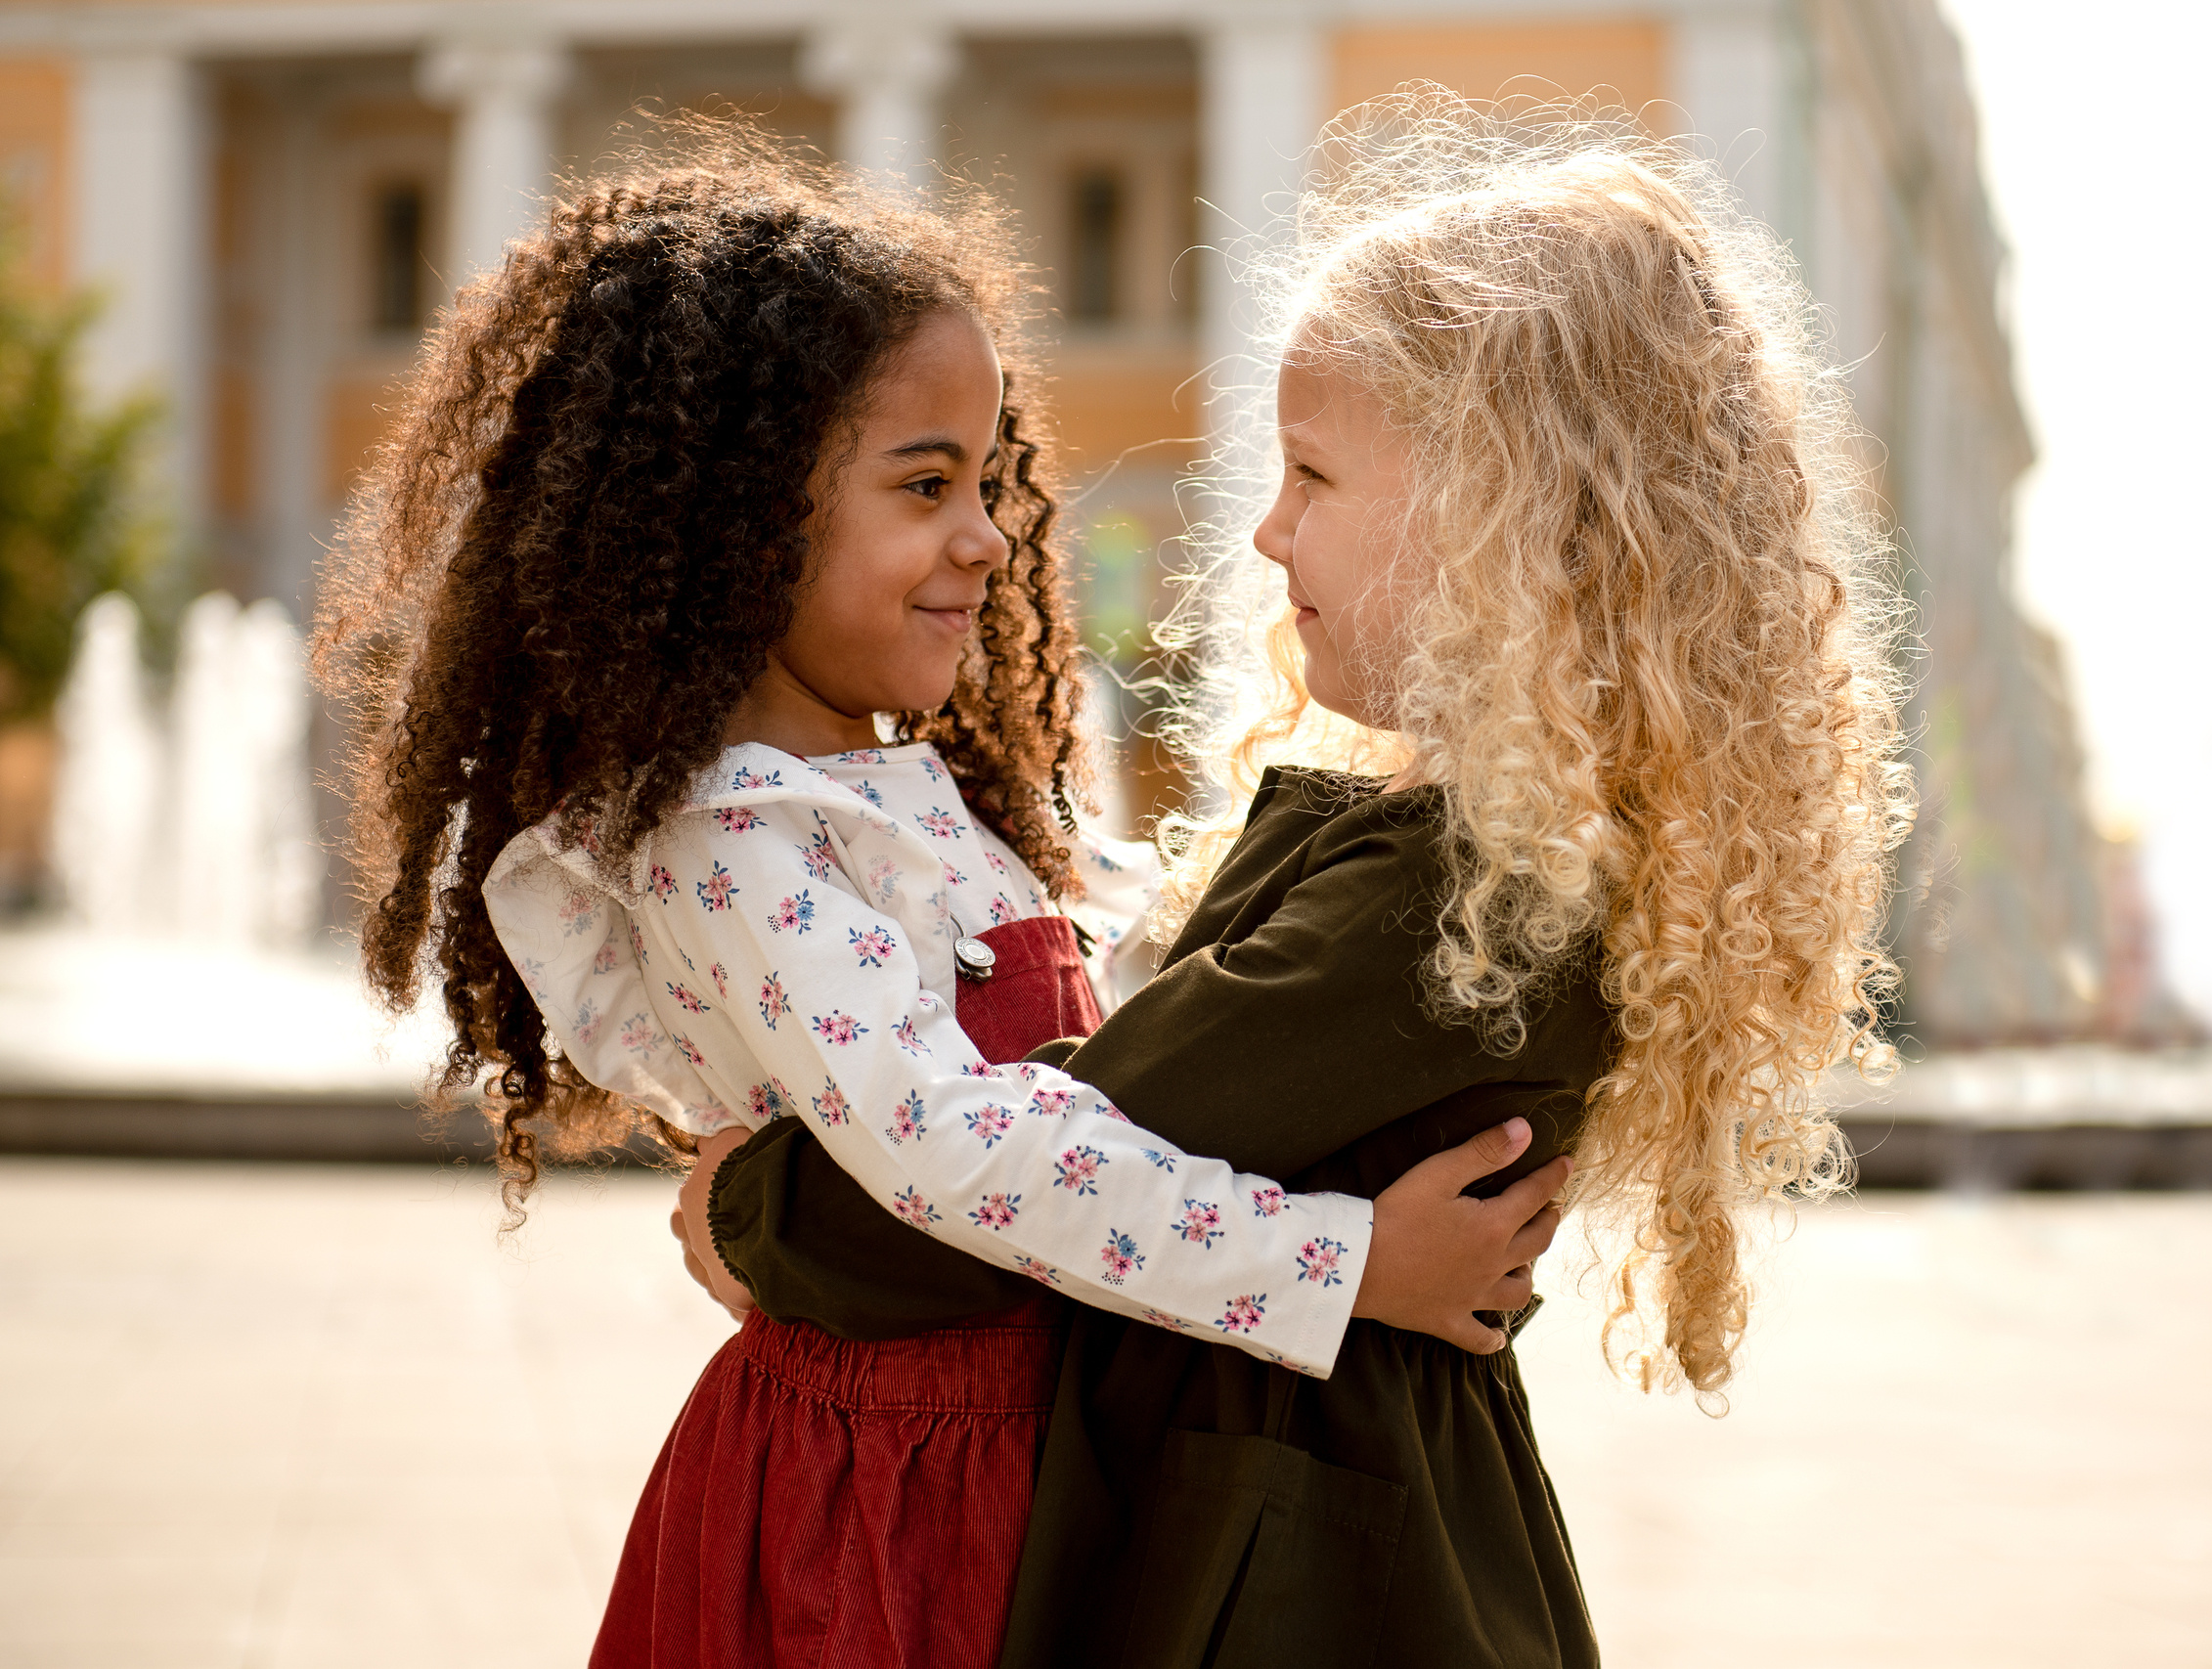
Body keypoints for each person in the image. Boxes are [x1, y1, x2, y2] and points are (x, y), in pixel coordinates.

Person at [313, 121, 1569, 1669]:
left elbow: (1117, 1020)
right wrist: (1343, 1264)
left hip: (1008, 1458)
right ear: (737, 521)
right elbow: (965, 1153)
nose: (987, 537)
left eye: (986, 479)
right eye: (925, 484)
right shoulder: (726, 835)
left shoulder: (903, 788)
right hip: (891, 1508)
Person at [708, 91, 1909, 1666]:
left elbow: (1022, 1184)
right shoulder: (1475, 861)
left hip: (1287, 1591)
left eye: (1315, 478)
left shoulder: (1448, 913)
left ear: (1510, 520)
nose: (1268, 535)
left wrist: (749, 1204)